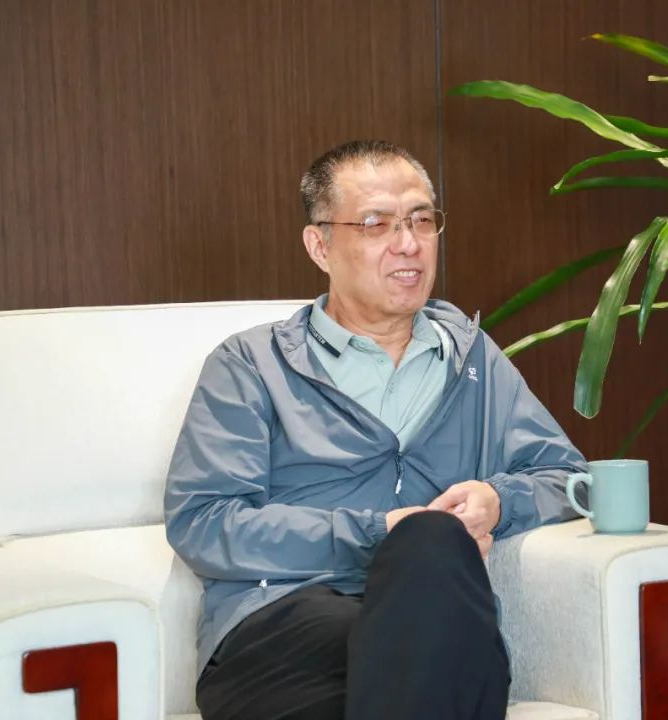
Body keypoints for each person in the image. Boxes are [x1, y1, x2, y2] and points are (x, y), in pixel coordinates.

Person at [164, 139, 586, 720]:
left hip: (433, 626)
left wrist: (497, 500)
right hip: (284, 631)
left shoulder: (474, 361)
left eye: (421, 220)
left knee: (434, 546)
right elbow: (204, 521)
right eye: (376, 224)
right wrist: (377, 532)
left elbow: (571, 480)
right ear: (320, 246)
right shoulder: (252, 365)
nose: (408, 244)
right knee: (427, 557)